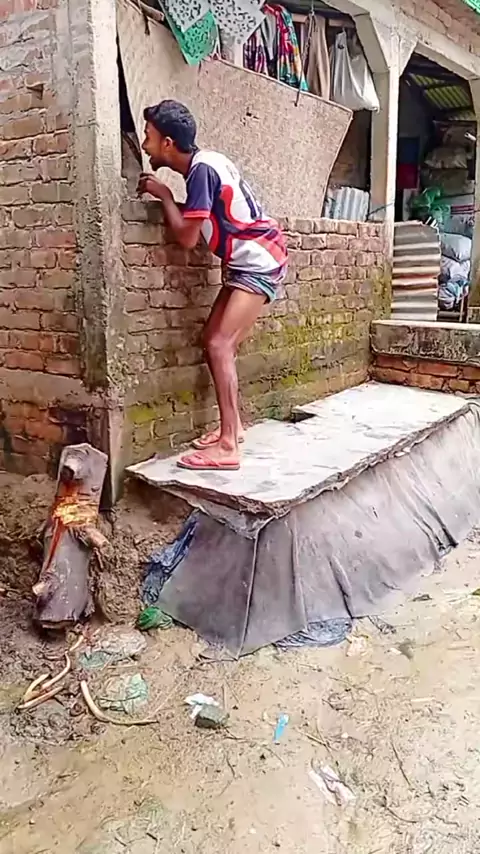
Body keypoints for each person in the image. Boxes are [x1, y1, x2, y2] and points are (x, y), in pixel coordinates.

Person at [138, 99, 287, 471]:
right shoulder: (207, 163)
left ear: (167, 143)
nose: (144, 145)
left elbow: (188, 238)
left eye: (148, 137)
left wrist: (165, 196)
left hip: (259, 262)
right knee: (215, 341)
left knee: (220, 344)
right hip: (247, 262)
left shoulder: (200, 172)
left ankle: (228, 445)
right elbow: (204, 216)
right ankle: (233, 429)